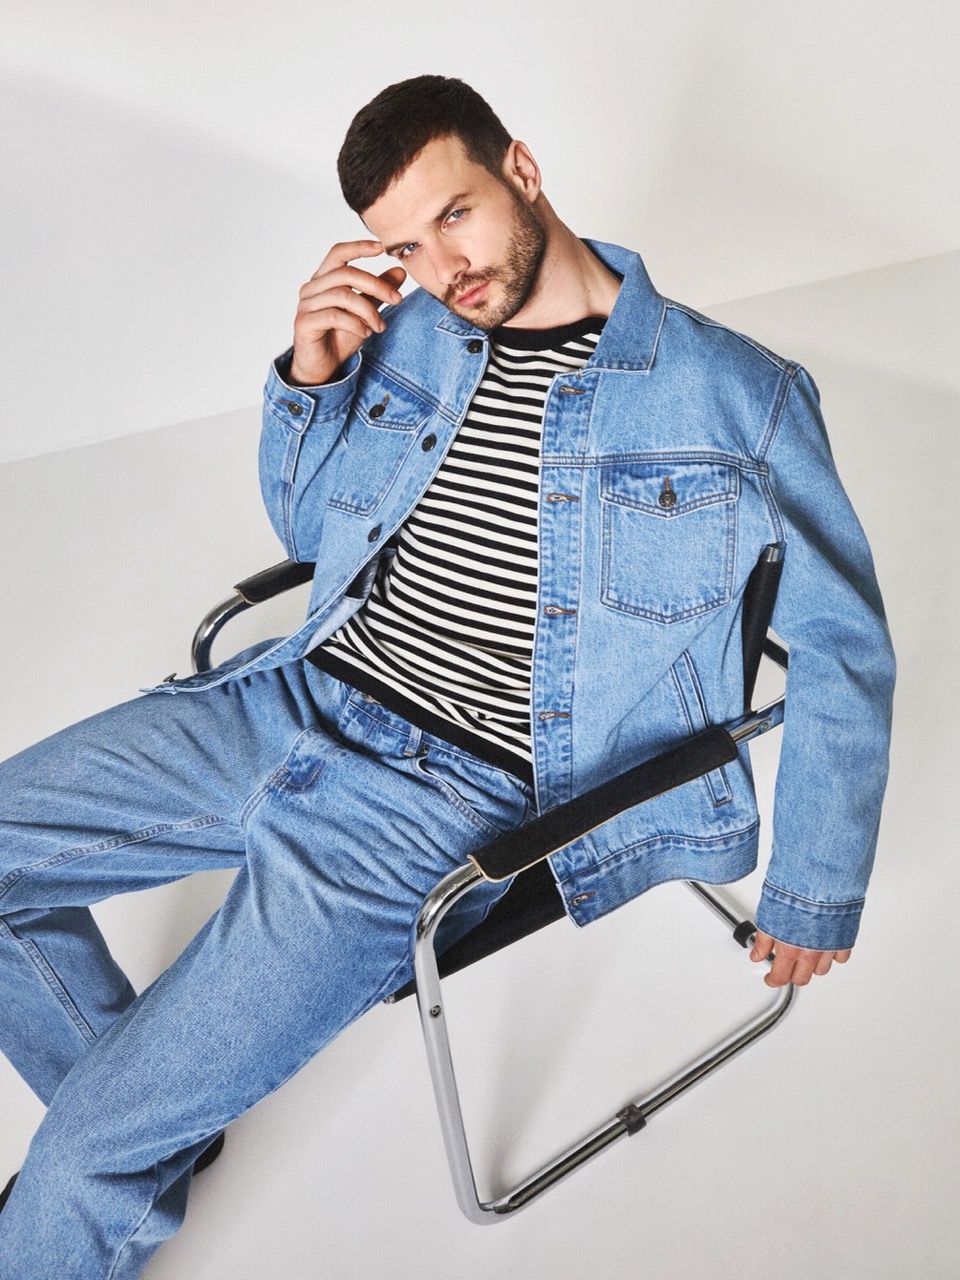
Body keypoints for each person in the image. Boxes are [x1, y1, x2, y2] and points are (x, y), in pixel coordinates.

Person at [0, 75, 894, 1277]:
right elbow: (317, 537)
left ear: (521, 167)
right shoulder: (418, 332)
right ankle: (144, 1131)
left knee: (69, 1166)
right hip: (289, 696)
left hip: (431, 809)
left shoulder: (736, 393)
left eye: (455, 216)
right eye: (404, 248)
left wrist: (814, 884)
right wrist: (312, 379)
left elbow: (843, 642)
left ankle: (106, 1156)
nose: (442, 270)